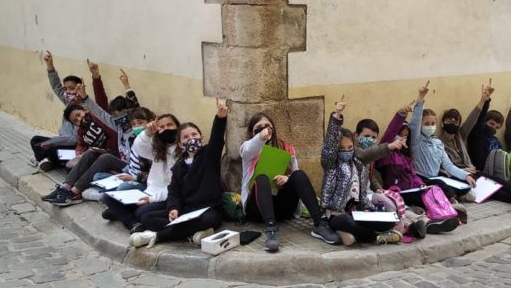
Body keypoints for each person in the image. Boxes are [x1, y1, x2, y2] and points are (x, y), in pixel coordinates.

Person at [129, 100, 229, 248]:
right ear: (181, 144)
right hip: (187, 210)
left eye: (194, 134)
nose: (191, 139)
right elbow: (173, 191)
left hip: (208, 209)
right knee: (147, 218)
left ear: (201, 137)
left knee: (209, 219)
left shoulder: (209, 155)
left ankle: (157, 236)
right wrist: (173, 208)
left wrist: (220, 118)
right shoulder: (179, 166)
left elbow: (217, 138)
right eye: (186, 137)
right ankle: (191, 233)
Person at [240, 112, 338, 252]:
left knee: (298, 175)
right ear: (251, 131)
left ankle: (320, 223)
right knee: (262, 178)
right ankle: (271, 229)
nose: (264, 128)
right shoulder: (247, 149)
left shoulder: (286, 149)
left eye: (267, 125)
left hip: (282, 207)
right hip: (257, 210)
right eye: (259, 127)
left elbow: (297, 180)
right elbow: (248, 149)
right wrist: (260, 137)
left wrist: (287, 178)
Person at [320, 98, 405, 245]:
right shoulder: (331, 165)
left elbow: (363, 197)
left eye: (349, 147)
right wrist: (336, 115)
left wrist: (369, 211)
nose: (346, 151)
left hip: (357, 213)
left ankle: (356, 234)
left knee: (388, 220)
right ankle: (375, 237)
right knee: (347, 221)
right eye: (341, 148)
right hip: (337, 215)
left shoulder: (359, 164)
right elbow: (329, 145)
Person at [373, 105, 461, 232]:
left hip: (412, 190)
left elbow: (413, 175)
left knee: (432, 190)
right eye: (400, 135)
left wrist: (420, 184)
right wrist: (400, 115)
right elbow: (391, 131)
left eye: (405, 136)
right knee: (428, 196)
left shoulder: (406, 157)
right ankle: (435, 219)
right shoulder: (385, 154)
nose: (402, 138)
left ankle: (445, 215)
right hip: (398, 192)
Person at [102, 112, 180, 231]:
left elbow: (175, 188)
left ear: (178, 127)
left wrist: (152, 199)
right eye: (162, 127)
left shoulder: (182, 151)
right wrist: (147, 133)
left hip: (166, 196)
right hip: (149, 191)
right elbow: (139, 148)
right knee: (108, 197)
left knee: (141, 212)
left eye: (170, 125)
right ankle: (131, 220)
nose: (166, 129)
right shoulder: (158, 148)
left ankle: (126, 216)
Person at [30, 51, 107, 171]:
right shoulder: (68, 103)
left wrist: (54, 142)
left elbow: (74, 139)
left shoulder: (84, 110)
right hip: (63, 142)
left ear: (79, 88)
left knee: (52, 149)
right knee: (36, 140)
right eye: (65, 89)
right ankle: (47, 159)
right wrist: (50, 65)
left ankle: (46, 159)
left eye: (71, 88)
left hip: (74, 147)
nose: (67, 92)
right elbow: (56, 86)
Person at [42, 99, 121, 206]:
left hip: (120, 160)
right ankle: (65, 188)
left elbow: (100, 105)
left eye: (79, 115)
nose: (80, 119)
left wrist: (86, 96)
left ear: (86, 110)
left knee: (104, 158)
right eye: (76, 120)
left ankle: (74, 193)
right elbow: (81, 143)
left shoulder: (101, 119)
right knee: (89, 154)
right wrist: (80, 152)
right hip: (107, 156)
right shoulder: (81, 131)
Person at [411, 81, 477, 201]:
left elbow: (448, 165)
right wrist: (421, 97)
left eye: (433, 123)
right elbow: (415, 121)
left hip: (436, 178)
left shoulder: (438, 143)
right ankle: (452, 201)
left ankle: (455, 196)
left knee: (464, 184)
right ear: (421, 125)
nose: (430, 126)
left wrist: (466, 176)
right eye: (426, 123)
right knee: (442, 186)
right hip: (422, 179)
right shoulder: (416, 141)